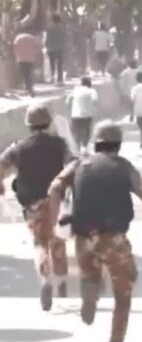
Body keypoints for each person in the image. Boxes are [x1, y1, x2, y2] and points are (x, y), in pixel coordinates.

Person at [48, 120, 142, 342]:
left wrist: (54, 222)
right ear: (118, 144)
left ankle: (89, 294)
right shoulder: (123, 166)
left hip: (83, 238)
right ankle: (116, 338)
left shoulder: (78, 165)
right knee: (123, 291)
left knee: (90, 274)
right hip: (113, 239)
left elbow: (55, 187)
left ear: (96, 143)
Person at [0, 103, 73, 310]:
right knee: (58, 242)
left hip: (32, 206)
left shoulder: (18, 148)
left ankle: (45, 279)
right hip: (57, 203)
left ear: (28, 124)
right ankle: (61, 283)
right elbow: (73, 164)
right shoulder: (60, 144)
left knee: (40, 244)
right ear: (48, 122)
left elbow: (1, 166)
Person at [67, 77, 98, 155]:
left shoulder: (75, 90)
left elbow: (67, 101)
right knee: (86, 132)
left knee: (76, 132)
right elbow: (94, 100)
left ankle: (76, 150)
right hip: (87, 115)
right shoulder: (92, 91)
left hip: (75, 115)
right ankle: (84, 148)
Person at [14, 29, 42, 97]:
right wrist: (36, 55)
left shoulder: (18, 37)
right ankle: (29, 87)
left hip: (21, 58)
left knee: (23, 73)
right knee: (29, 72)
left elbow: (15, 46)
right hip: (30, 59)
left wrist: (16, 55)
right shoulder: (32, 38)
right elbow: (38, 47)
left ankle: (26, 86)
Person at [45, 13, 66, 84]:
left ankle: (52, 77)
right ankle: (60, 79)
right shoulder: (62, 28)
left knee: (52, 63)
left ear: (53, 20)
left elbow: (47, 39)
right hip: (60, 48)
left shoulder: (50, 28)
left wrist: (47, 46)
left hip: (51, 48)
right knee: (60, 64)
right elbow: (64, 38)